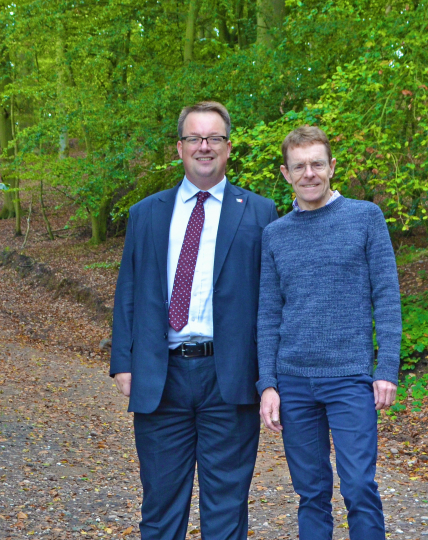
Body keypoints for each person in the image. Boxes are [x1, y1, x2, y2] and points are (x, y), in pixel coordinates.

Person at [110, 101, 278, 540]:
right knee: (161, 506)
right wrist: (124, 362)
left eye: (214, 138)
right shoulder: (146, 213)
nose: (204, 146)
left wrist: (270, 376)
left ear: (228, 148)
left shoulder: (260, 212)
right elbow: (129, 289)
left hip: (230, 378)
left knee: (226, 508)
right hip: (161, 376)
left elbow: (271, 300)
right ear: (179, 147)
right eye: (195, 138)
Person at [256, 125, 401, 540]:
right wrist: (268, 383)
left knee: (358, 487)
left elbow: (387, 297)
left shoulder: (365, 218)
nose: (309, 174)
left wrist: (386, 368)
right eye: (299, 166)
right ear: (286, 173)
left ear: (332, 167)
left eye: (317, 164)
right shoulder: (275, 235)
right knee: (311, 492)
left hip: (350, 378)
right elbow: (267, 315)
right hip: (295, 382)